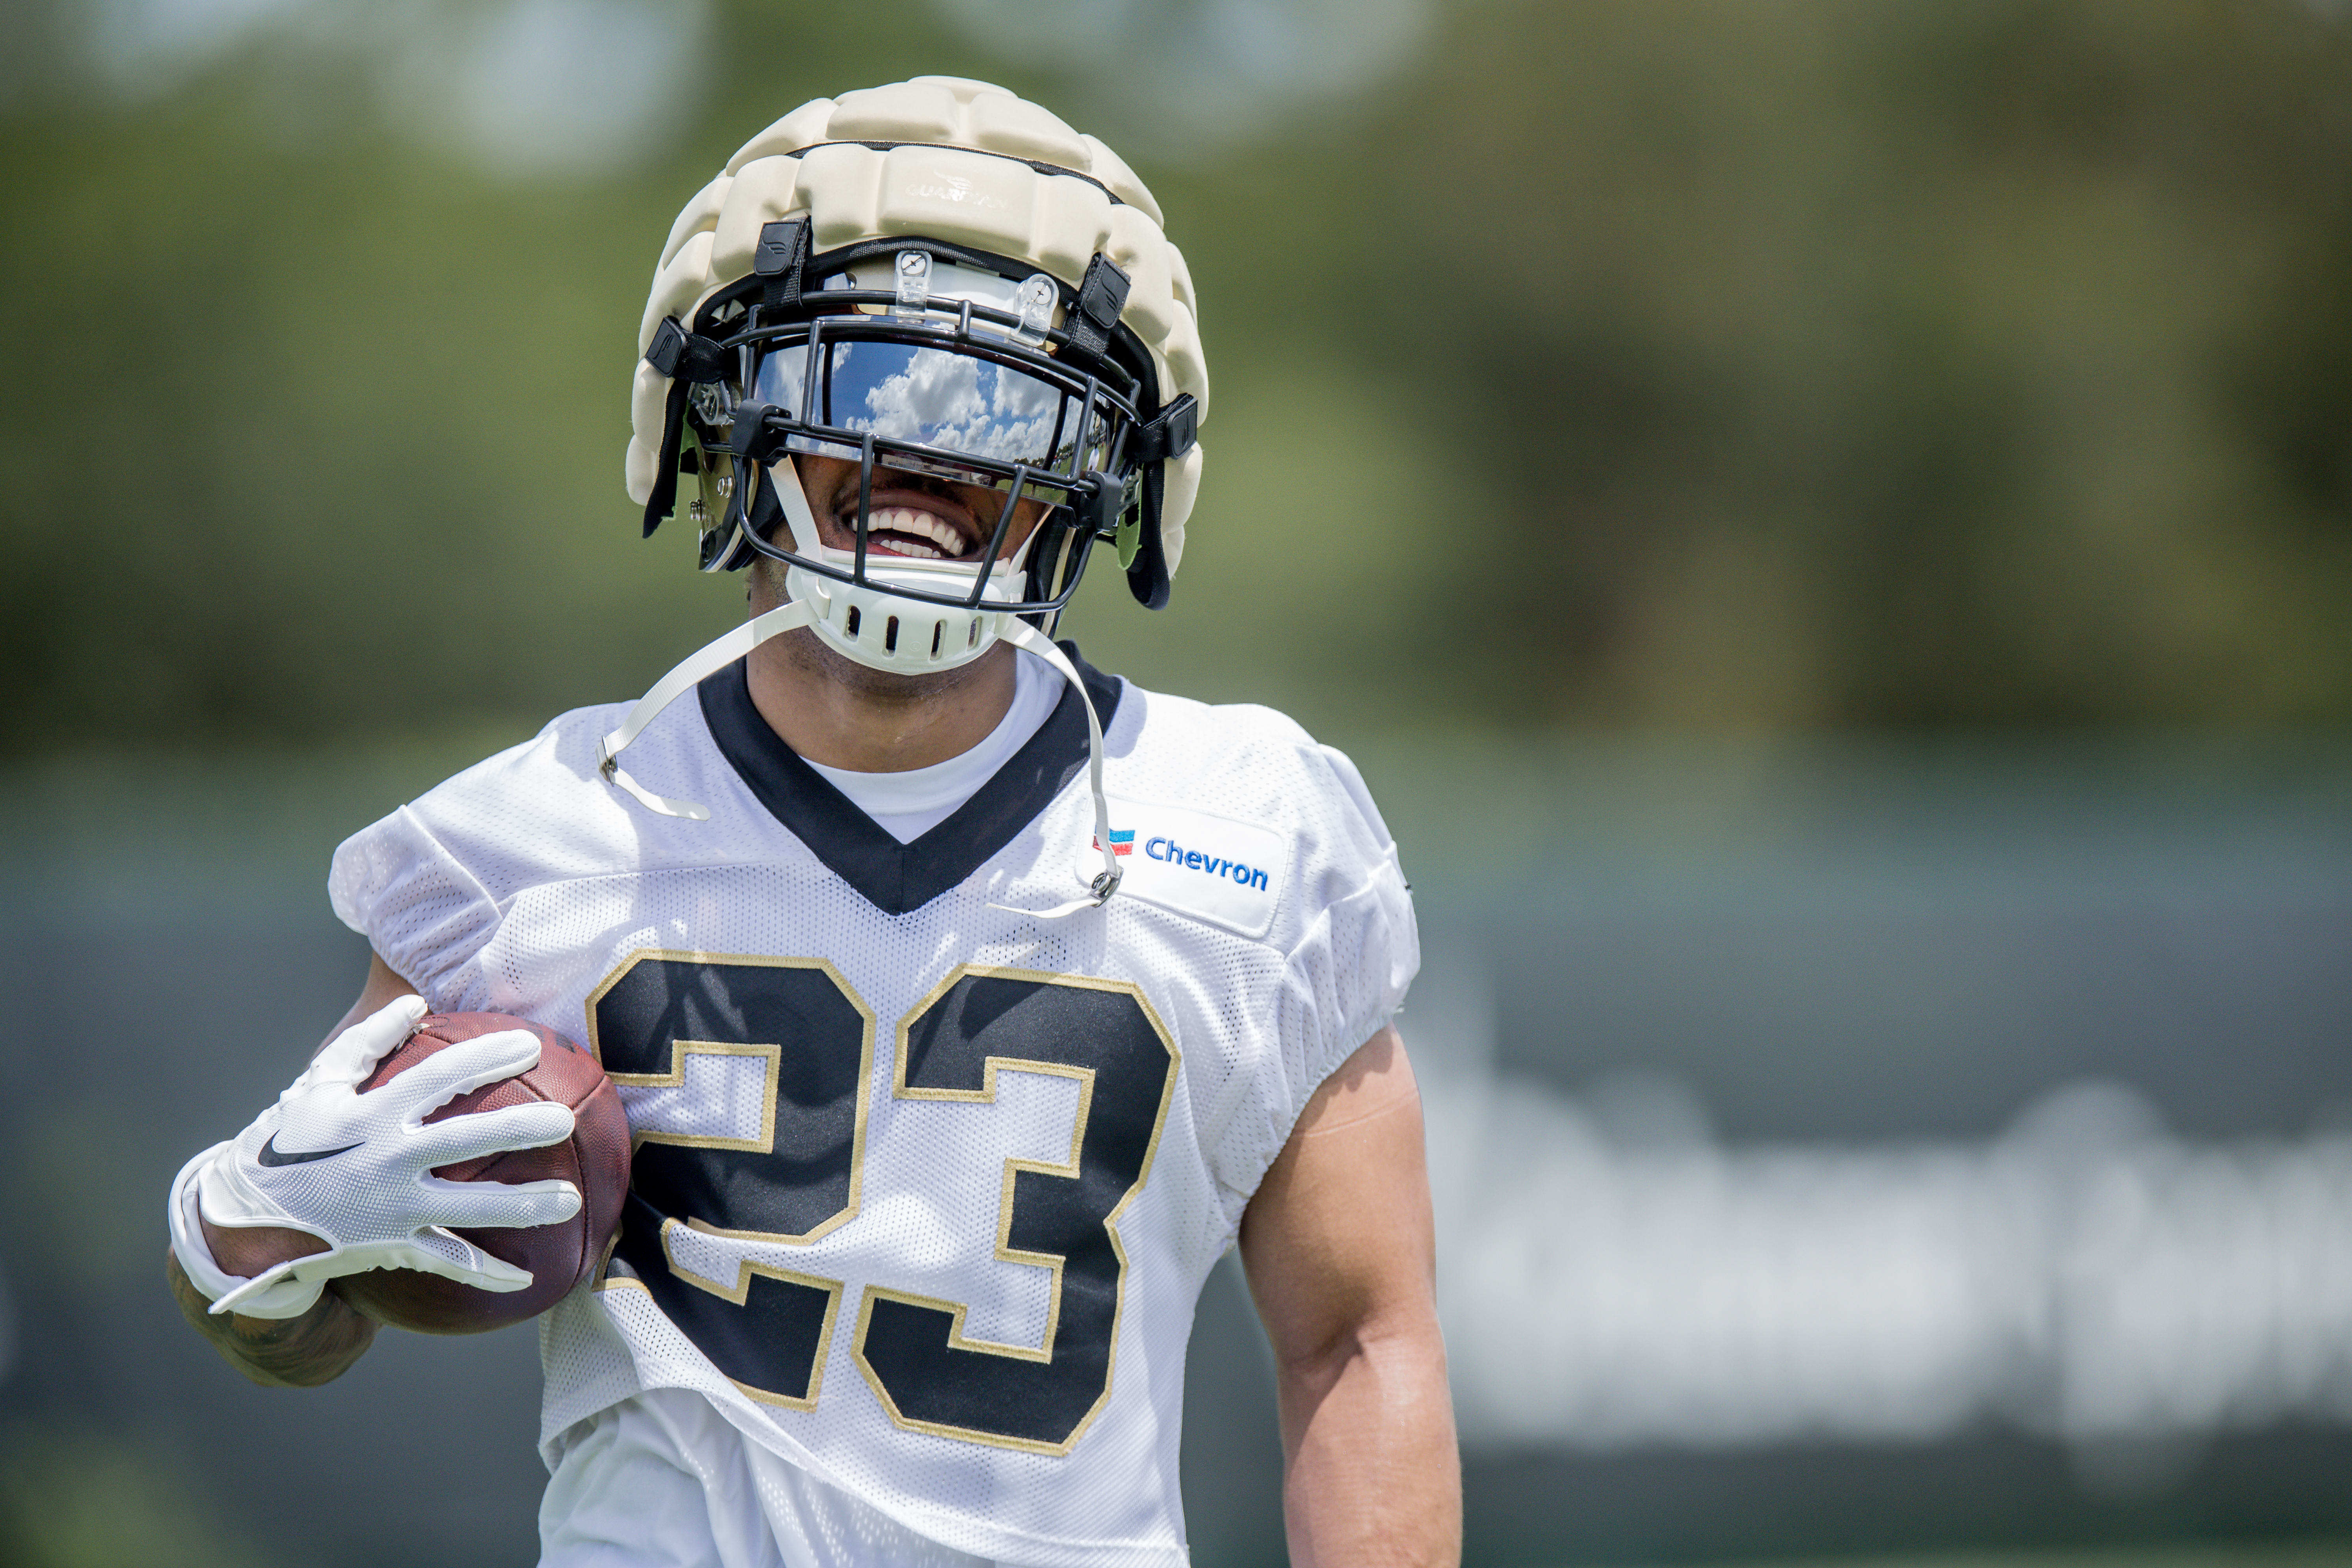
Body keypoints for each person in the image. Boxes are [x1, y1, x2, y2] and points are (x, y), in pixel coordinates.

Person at [163, 76, 1457, 1568]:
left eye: (999, 403)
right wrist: (249, 1230)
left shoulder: (1255, 835)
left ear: (1102, 467)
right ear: (728, 410)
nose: (926, 455)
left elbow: (1363, 1344)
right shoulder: (524, 850)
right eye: (864, 383)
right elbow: (298, 1322)